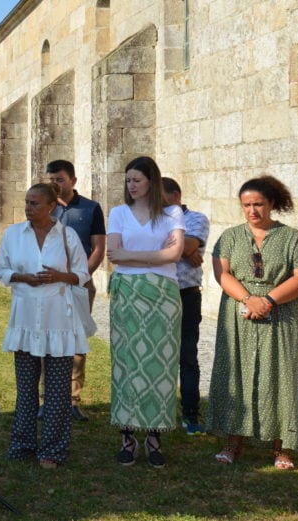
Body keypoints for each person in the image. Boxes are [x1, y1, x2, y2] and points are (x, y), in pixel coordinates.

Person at [208, 176, 298, 470]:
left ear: (272, 204)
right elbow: (222, 274)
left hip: (281, 313)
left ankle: (282, 448)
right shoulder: (229, 237)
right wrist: (248, 299)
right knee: (235, 374)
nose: (252, 210)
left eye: (258, 204)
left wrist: (268, 301)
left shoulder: (291, 238)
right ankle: (232, 442)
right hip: (238, 313)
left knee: (279, 375)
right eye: (246, 205)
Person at [0, 183, 91, 469]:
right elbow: (1, 270)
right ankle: (23, 444)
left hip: (58, 321)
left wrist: (60, 275)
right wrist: (24, 278)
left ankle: (52, 449)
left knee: (58, 391)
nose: (28, 208)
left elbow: (83, 273)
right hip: (25, 319)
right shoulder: (13, 234)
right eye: (26, 202)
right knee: (25, 389)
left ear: (52, 206)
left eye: (34, 203)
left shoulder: (67, 234)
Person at [106, 156, 185, 468]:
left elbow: (175, 253)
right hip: (127, 294)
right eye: (128, 181)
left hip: (163, 296)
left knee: (159, 365)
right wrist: (154, 256)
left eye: (137, 180)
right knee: (126, 362)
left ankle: (154, 439)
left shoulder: (171, 213)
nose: (131, 185)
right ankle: (127, 439)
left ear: (152, 181)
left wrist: (131, 255)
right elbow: (114, 255)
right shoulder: (118, 213)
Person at [46, 159, 106, 421]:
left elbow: (98, 249)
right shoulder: (43, 208)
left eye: (59, 179)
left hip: (80, 284)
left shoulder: (91, 209)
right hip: (48, 285)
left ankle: (72, 400)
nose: (55, 185)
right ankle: (45, 400)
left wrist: (80, 277)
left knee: (76, 340)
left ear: (73, 180)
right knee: (47, 338)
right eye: (51, 180)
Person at [161, 177, 210, 436]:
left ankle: (190, 413)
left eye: (163, 199)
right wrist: (184, 249)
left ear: (176, 196)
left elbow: (189, 244)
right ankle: (159, 409)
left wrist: (183, 247)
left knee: (187, 356)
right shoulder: (155, 219)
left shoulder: (196, 219)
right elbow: (184, 247)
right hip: (158, 294)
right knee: (158, 354)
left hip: (186, 295)